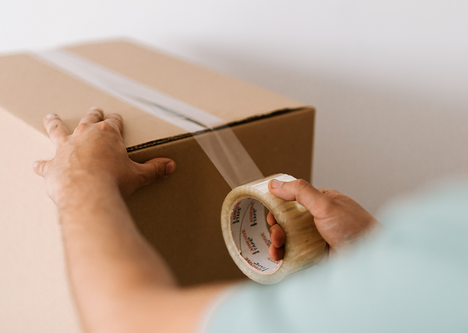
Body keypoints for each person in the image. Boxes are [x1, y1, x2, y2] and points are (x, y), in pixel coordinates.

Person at [33, 108, 468, 333]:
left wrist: (81, 180)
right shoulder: (437, 247)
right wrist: (373, 253)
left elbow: (133, 325)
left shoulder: (444, 227)